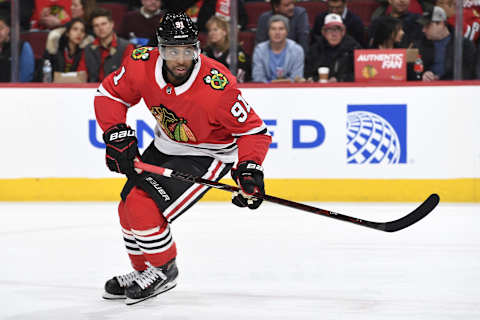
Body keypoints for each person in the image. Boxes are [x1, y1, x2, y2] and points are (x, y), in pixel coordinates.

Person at [94, 9, 271, 305]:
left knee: (142, 205)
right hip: (166, 144)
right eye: (172, 50)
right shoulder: (140, 63)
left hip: (208, 153)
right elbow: (110, 95)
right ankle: (143, 271)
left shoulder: (218, 86)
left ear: (197, 48)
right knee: (127, 207)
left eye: (187, 49)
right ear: (159, 49)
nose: (180, 58)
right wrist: (115, 133)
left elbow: (254, 131)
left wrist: (249, 167)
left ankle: (164, 270)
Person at [415, 5, 476, 80]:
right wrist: (422, 75)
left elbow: (468, 73)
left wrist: (440, 79)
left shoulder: (463, 45)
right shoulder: (420, 44)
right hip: (426, 88)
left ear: (441, 24)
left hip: (454, 89)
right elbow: (413, 70)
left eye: (427, 26)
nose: (423, 30)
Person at [304, 13, 361, 83]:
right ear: (323, 32)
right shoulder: (315, 49)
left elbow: (360, 74)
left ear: (343, 32)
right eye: (330, 30)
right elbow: (307, 74)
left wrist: (339, 79)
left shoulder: (354, 48)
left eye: (337, 29)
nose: (334, 34)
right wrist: (318, 80)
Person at [84, 7, 134, 82]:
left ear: (112, 24)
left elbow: (130, 75)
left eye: (103, 24)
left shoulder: (126, 47)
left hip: (117, 91)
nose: (100, 28)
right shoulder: (88, 49)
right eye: (96, 25)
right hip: (91, 90)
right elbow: (81, 75)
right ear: (93, 29)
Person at [252, 14, 304, 83]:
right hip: (265, 91)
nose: (277, 33)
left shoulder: (297, 50)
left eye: (281, 29)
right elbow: (258, 78)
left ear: (287, 32)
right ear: (268, 32)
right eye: (273, 29)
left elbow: (297, 78)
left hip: (290, 91)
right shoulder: (259, 50)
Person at [45, 0, 95, 66]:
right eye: (75, 29)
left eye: (75, 5)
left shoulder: (94, 27)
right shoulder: (66, 28)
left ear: (85, 8)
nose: (71, 8)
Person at [203, 15, 251, 82]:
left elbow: (241, 73)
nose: (211, 33)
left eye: (215, 30)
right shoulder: (206, 52)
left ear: (224, 32)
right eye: (209, 30)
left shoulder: (235, 50)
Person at [0, 15, 35, 82]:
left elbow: (25, 77)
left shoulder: (22, 47)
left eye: (0, 28)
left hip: (14, 90)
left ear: (8, 29)